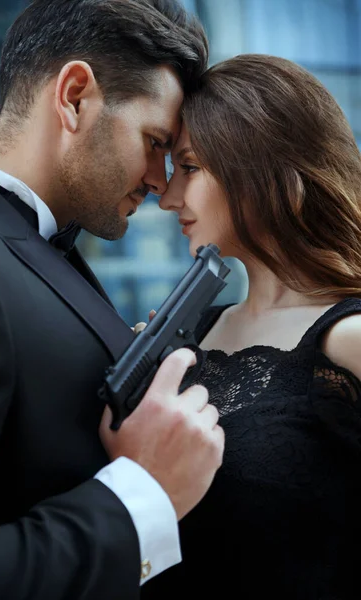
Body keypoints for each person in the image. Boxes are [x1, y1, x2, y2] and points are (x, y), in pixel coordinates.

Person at [0, 1, 225, 598]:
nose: (161, 183)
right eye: (155, 141)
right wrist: (143, 493)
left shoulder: (34, 241)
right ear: (75, 96)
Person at [142, 54, 361, 599]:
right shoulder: (194, 331)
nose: (169, 198)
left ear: (260, 168)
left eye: (189, 168)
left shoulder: (349, 339)